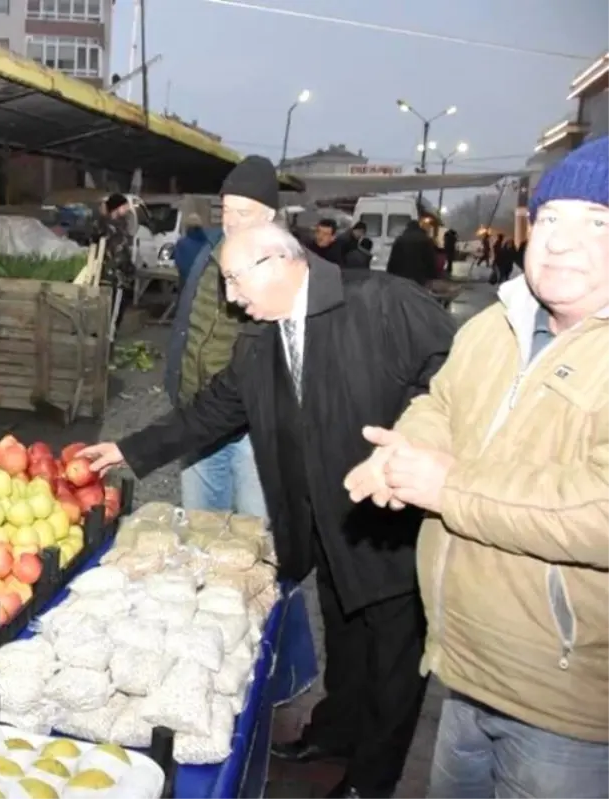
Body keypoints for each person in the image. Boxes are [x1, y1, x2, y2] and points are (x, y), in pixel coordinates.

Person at [83, 222, 457, 799]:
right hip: (326, 521)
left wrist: (420, 447)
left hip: (393, 525)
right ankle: (335, 732)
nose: (231, 297)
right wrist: (130, 449)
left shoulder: (383, 303)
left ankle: (371, 780)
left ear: (279, 261)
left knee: (394, 662)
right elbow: (212, 410)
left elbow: (457, 382)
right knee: (347, 637)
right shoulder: (260, 340)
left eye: (235, 279)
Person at [344, 135, 609, 799]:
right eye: (550, 219)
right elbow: (442, 402)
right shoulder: (499, 323)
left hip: (563, 706)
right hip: (462, 671)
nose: (562, 241)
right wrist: (402, 454)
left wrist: (448, 484)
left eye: (597, 223)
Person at [164, 155, 280, 518]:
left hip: (252, 430)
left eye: (243, 212)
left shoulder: (283, 269)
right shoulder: (208, 254)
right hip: (197, 413)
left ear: (270, 216)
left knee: (254, 534)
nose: (230, 221)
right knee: (201, 526)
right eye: (226, 209)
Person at [93, 193, 136, 338]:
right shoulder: (112, 228)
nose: (128, 209)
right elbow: (119, 254)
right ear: (117, 208)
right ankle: (107, 345)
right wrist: (129, 269)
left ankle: (106, 341)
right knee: (113, 314)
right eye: (124, 206)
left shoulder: (110, 225)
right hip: (114, 278)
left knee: (109, 312)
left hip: (110, 276)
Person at [386, 219, 438, 287]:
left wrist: (389, 272)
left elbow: (393, 259)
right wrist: (432, 275)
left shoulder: (400, 239)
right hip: (420, 275)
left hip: (402, 274)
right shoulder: (425, 239)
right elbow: (430, 259)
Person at [171, 212, 210, 290]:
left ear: (187, 227)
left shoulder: (182, 243)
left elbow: (178, 263)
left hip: (186, 283)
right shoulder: (207, 244)